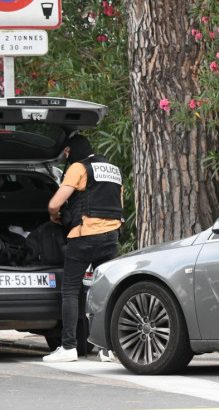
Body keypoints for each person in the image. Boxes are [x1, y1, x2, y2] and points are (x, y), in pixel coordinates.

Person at [42, 135, 123, 363]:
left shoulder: (79, 168)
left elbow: (54, 203)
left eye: (67, 153)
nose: (67, 157)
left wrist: (54, 216)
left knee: (70, 291)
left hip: (84, 236)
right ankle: (107, 349)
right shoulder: (113, 170)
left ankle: (68, 347)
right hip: (111, 238)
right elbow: (119, 204)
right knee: (104, 292)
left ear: (73, 149)